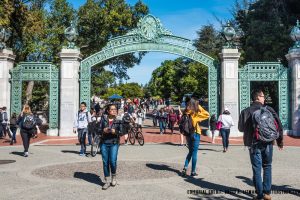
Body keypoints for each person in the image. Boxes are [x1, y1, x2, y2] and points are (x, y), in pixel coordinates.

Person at [238, 89, 283, 200]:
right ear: (257, 97)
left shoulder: (245, 111)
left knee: (257, 168)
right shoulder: (269, 109)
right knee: (267, 166)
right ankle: (267, 193)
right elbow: (278, 125)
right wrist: (280, 141)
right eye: (263, 96)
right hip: (268, 142)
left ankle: (260, 194)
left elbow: (240, 128)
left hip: (253, 144)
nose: (264, 98)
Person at [181, 97, 209, 177]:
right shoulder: (195, 115)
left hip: (188, 134)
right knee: (194, 153)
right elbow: (207, 114)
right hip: (195, 134)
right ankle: (193, 171)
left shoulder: (185, 112)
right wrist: (199, 107)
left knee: (190, 151)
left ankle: (185, 168)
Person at [99, 104, 123, 190]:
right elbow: (98, 130)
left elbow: (121, 132)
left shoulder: (119, 120)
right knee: (105, 162)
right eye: (112, 109)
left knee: (112, 161)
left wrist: (115, 131)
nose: (114, 111)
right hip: (104, 143)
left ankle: (113, 177)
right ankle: (106, 181)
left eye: (115, 109)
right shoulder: (103, 119)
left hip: (114, 143)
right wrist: (103, 130)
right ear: (108, 111)